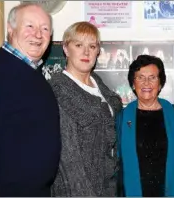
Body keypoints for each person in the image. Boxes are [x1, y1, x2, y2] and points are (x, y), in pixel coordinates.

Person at [0, 3, 61, 196]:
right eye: (30, 26)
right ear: (10, 29)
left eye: (45, 29)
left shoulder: (35, 74)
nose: (38, 35)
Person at [48, 21, 123, 196]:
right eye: (78, 45)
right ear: (66, 49)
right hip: (77, 190)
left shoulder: (102, 89)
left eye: (92, 46)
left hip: (108, 188)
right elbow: (67, 157)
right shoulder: (58, 91)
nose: (86, 52)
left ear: (98, 51)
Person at [116, 55, 174, 197]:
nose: (146, 83)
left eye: (152, 77)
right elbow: (117, 163)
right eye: (140, 77)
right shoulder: (122, 118)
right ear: (133, 84)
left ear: (160, 84)